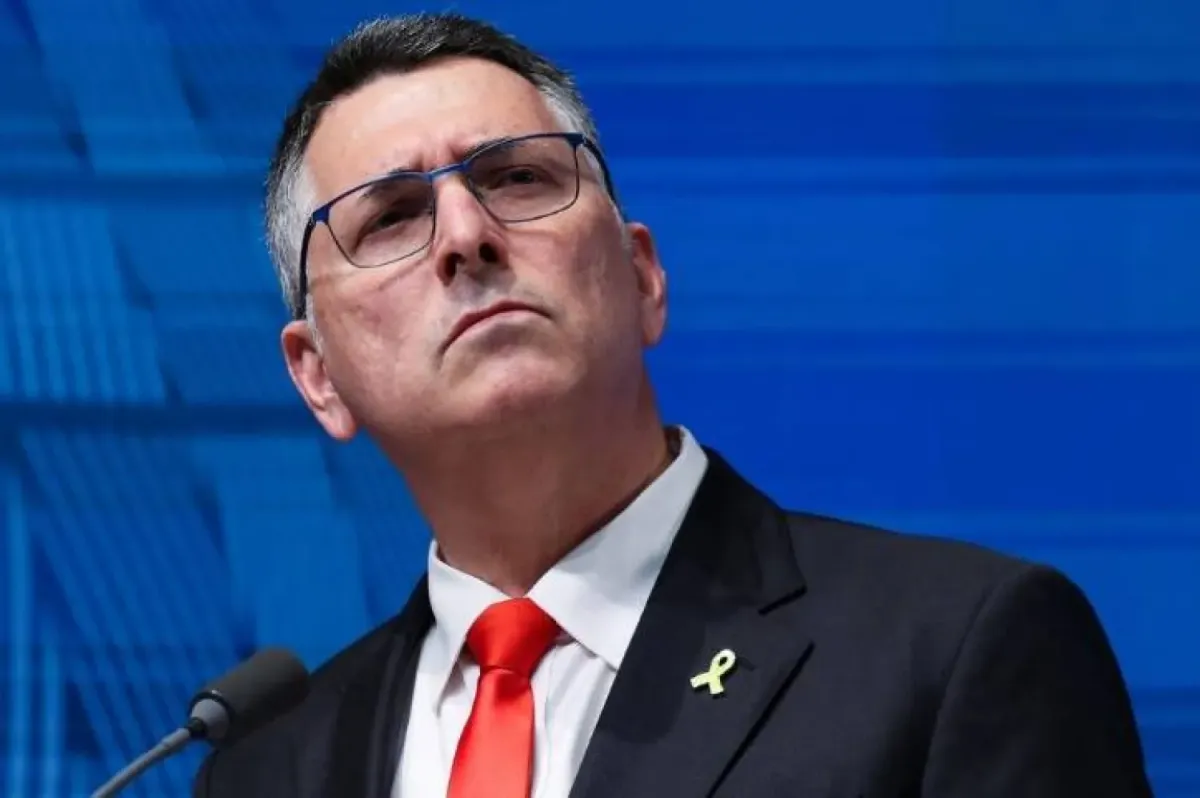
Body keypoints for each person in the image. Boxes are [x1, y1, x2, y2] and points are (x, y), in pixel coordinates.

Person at [192, 11, 1153, 798]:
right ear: (317, 375)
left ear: (642, 276)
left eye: (517, 177)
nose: (466, 236)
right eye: (393, 215)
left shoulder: (953, 651)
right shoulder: (265, 769)